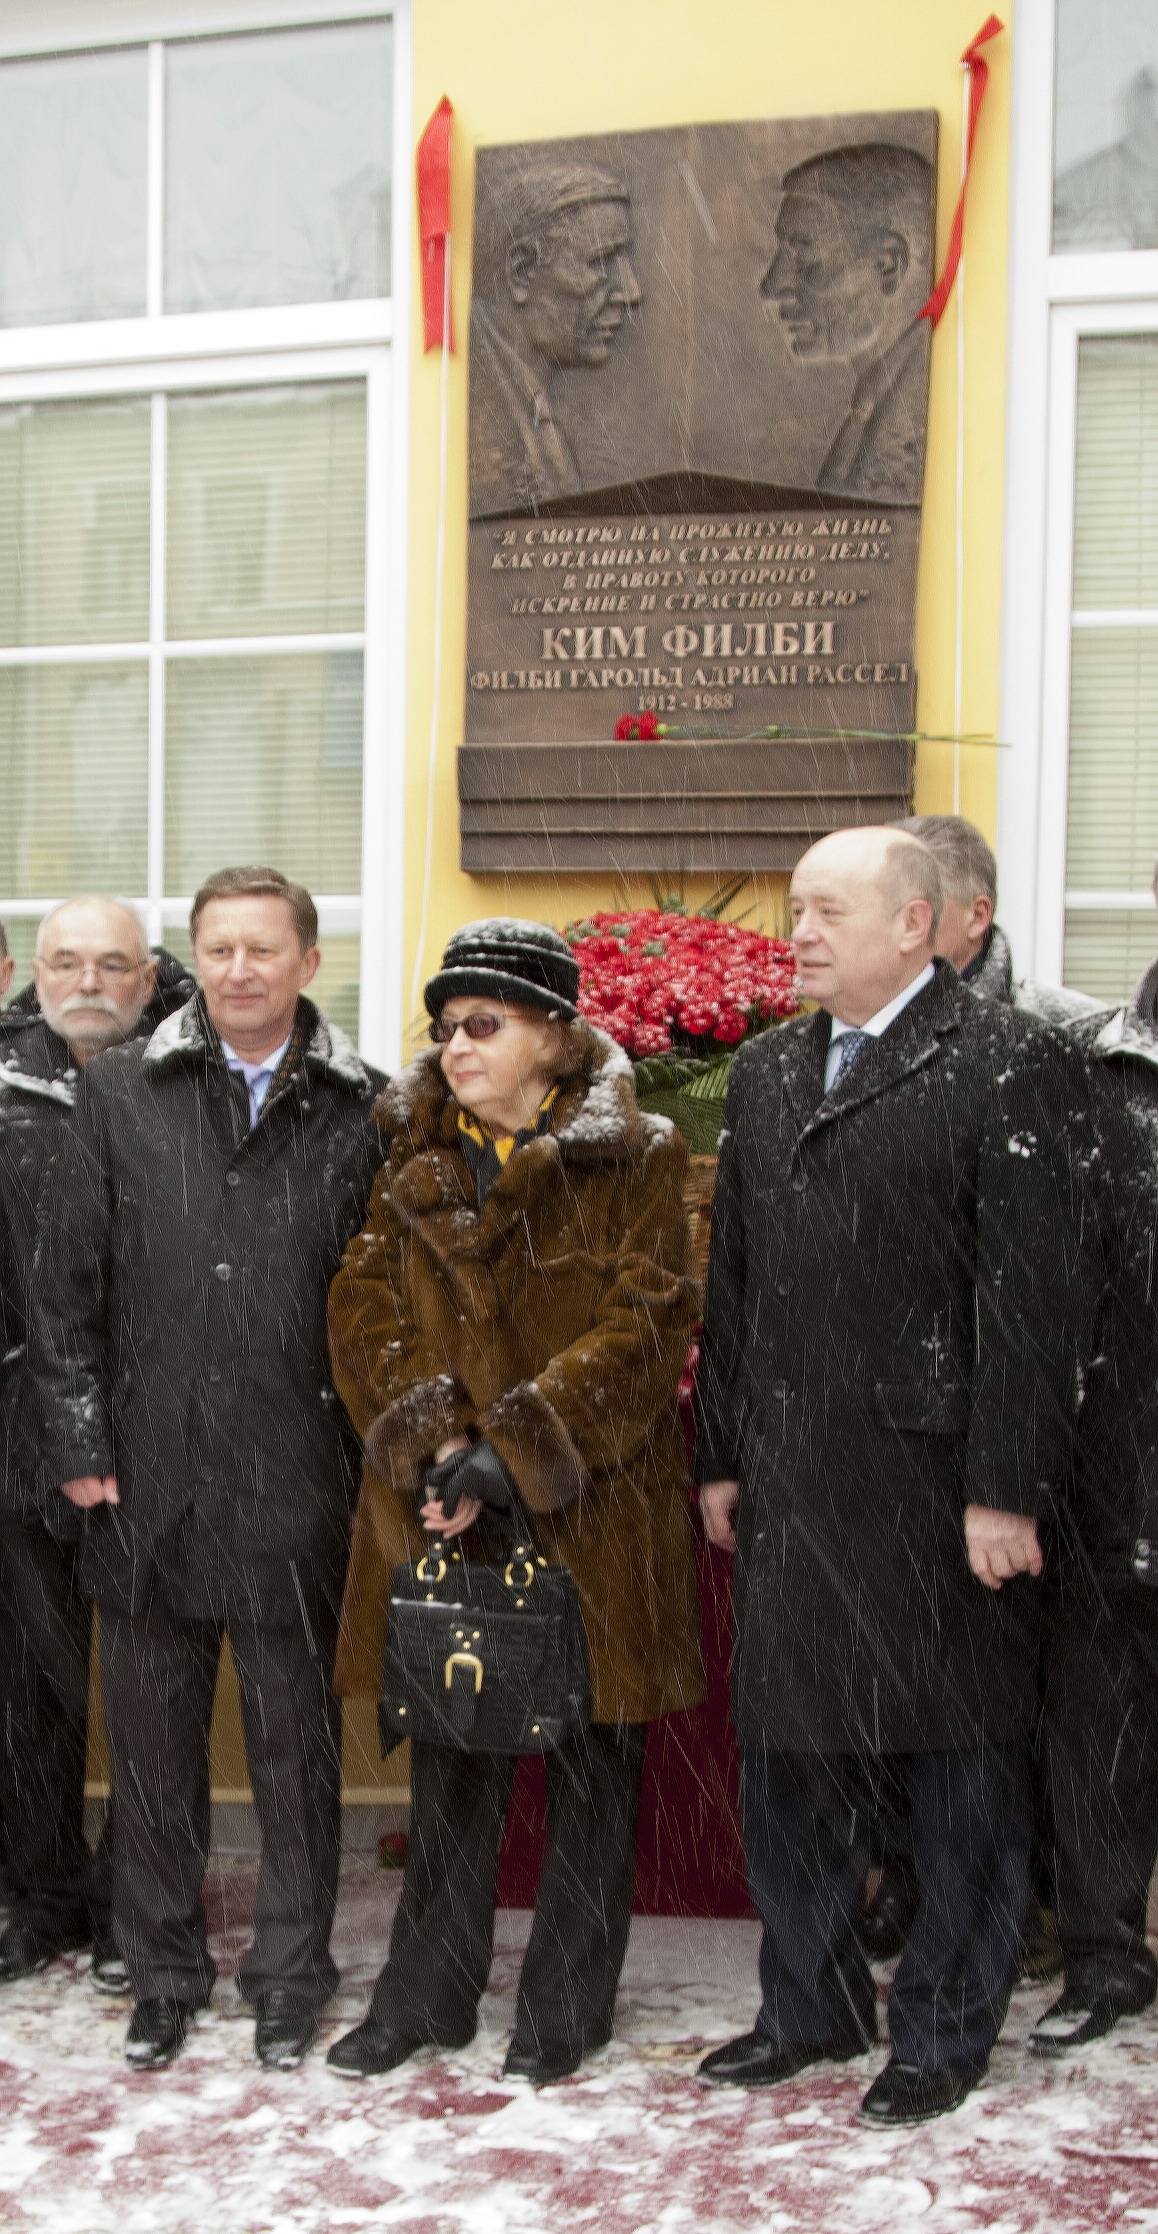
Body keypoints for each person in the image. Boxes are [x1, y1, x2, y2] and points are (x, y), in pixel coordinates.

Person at [694, 827, 1098, 2126]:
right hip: (795, 1487)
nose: (796, 931)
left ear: (916, 924)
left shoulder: (1007, 1065)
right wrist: (720, 1459)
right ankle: (805, 2005)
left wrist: (1007, 1485)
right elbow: (735, 1285)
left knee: (957, 1768)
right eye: (792, 908)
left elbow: (1034, 1299)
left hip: (939, 1491)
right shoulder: (764, 1070)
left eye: (826, 909)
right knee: (790, 1760)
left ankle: (941, 2026)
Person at [325, 919, 703, 2084]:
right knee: (453, 1760)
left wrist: (520, 1447)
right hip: (443, 1507)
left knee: (593, 1771)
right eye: (444, 1029)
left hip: (595, 1511)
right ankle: (425, 1994)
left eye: (483, 1024)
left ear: (553, 1032)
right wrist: (442, 1448)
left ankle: (564, 2008)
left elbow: (648, 1318)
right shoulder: (409, 1158)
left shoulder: (637, 1152)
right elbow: (360, 1305)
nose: (457, 1047)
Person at [28, 867, 383, 2072]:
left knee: (296, 1756)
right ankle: (165, 1968)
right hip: (145, 1484)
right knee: (155, 1754)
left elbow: (383, 1308)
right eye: (219, 947)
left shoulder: (362, 1108)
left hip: (298, 1476)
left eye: (263, 949)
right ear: (195, 958)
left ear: (306, 963)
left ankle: (290, 1972)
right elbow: (63, 1293)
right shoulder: (122, 1091)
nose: (240, 969)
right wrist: (78, 1445)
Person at [0, 898, 190, 1993]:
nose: (88, 982)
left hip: (159, 1434)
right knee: (32, 1685)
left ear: (147, 972)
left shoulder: (187, 1078)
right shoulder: (8, 1081)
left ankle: (139, 1894)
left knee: (151, 1683)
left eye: (111, 964)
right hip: (22, 1438)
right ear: (34, 969)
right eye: (66, 961)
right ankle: (44, 1893)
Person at [1023, 871, 1158, 2056]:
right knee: (1099, 1724)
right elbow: (1042, 1288)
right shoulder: (1090, 1073)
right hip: (1111, 1462)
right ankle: (1106, 1953)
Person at [762, 144, 935, 504]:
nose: (772, 286)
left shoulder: (925, 426)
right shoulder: (879, 398)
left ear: (887, 265)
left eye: (803, 254)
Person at [470, 165, 641, 518]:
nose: (630, 292)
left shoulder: (535, 411)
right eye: (601, 263)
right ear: (521, 272)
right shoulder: (471, 414)